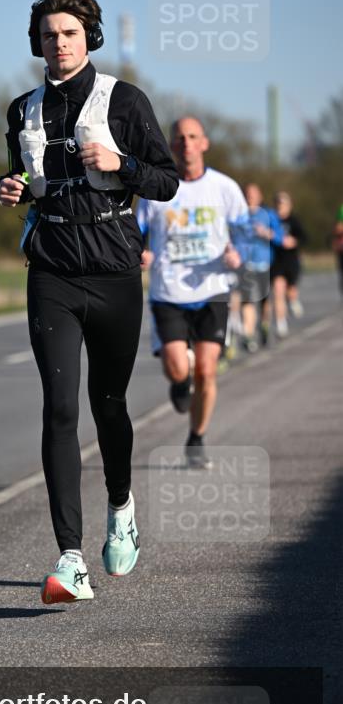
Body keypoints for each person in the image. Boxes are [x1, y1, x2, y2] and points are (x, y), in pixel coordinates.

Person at [0, 0, 178, 605]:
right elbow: (25, 180)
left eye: (69, 33)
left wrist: (122, 161)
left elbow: (167, 180)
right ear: (37, 43)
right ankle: (69, 559)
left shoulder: (123, 101)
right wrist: (12, 187)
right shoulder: (22, 109)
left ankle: (121, 504)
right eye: (49, 35)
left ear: (89, 37)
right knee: (60, 408)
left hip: (115, 269)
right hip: (51, 269)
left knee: (108, 404)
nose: (59, 43)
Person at [136, 117, 248, 470]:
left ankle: (196, 439)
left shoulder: (224, 188)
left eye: (192, 137)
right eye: (179, 138)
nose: (186, 143)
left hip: (212, 290)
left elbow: (244, 231)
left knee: (206, 371)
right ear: (170, 146)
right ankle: (179, 384)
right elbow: (135, 232)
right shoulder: (157, 189)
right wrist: (140, 251)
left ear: (204, 143)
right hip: (169, 291)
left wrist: (237, 253)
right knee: (177, 367)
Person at [238, 182, 283, 351]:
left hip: (265, 263)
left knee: (264, 302)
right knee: (248, 300)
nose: (250, 197)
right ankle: (248, 335)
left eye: (253, 194)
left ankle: (264, 325)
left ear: (260, 196)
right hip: (246, 265)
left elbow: (280, 237)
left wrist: (266, 233)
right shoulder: (238, 215)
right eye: (247, 194)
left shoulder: (269, 215)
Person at [270, 191, 307, 337]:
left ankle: (293, 300)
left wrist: (293, 241)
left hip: (291, 261)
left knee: (291, 289)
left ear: (289, 205)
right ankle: (280, 322)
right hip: (276, 261)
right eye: (278, 203)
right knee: (278, 291)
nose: (281, 206)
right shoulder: (271, 220)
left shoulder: (294, 220)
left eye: (284, 203)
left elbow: (304, 238)